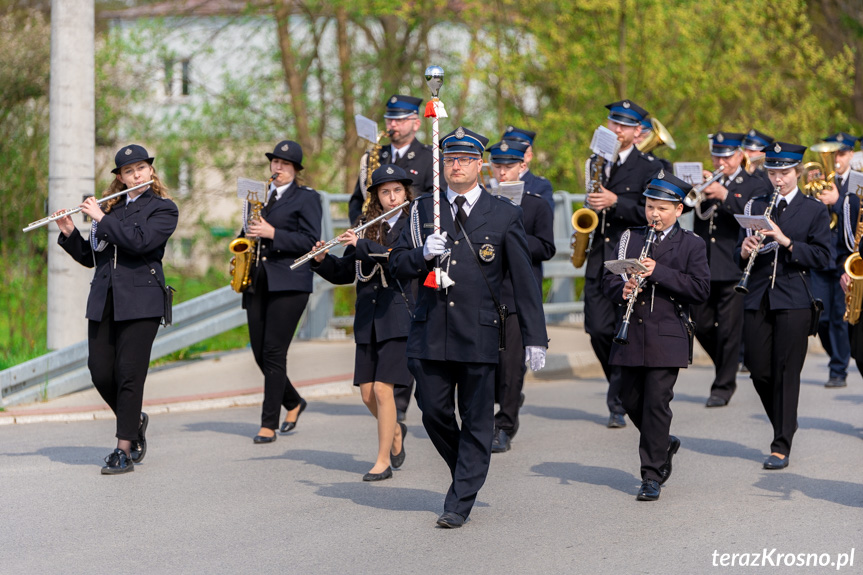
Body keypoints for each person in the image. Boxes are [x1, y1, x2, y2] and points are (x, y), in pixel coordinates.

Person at [389, 126, 548, 528]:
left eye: (463, 159)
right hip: (430, 330)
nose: (455, 165)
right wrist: (421, 254)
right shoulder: (423, 208)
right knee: (433, 411)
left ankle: (459, 500)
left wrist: (535, 337)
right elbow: (397, 263)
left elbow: (524, 281)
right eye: (449, 159)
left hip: (478, 330)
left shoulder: (503, 213)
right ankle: (468, 466)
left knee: (477, 418)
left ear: (480, 164)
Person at [54, 144, 178, 474]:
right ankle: (134, 419)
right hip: (105, 300)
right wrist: (69, 233)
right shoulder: (113, 207)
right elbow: (93, 258)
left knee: (129, 376)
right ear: (120, 178)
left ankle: (123, 448)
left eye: (141, 168)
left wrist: (100, 217)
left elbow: (140, 243)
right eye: (128, 171)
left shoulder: (164, 209)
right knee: (99, 371)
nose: (135, 174)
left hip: (142, 301)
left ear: (150, 171)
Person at [603, 171, 709, 501]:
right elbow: (607, 280)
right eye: (650, 206)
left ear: (679, 210)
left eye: (662, 208)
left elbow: (700, 289)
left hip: (668, 333)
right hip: (630, 331)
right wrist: (623, 289)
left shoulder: (692, 244)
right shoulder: (629, 237)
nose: (654, 214)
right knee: (629, 399)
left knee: (657, 404)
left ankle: (651, 475)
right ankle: (663, 442)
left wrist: (657, 272)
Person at [310, 165, 414, 481]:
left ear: (406, 193)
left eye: (397, 190)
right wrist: (321, 260)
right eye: (385, 192)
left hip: (399, 317)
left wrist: (361, 245)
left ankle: (382, 461)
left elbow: (400, 261)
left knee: (384, 390)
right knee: (367, 394)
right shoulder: (366, 226)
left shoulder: (413, 225)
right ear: (376, 198)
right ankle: (396, 432)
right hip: (368, 319)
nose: (392, 197)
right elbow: (346, 272)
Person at [734, 142, 831, 470]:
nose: (778, 179)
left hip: (794, 299)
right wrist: (745, 250)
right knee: (759, 369)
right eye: (773, 172)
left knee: (788, 372)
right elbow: (737, 253)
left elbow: (823, 256)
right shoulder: (755, 204)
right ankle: (785, 420)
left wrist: (786, 241)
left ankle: (781, 443)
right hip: (757, 294)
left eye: (784, 173)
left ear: (798, 173)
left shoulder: (814, 209)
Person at [348, 94, 435, 423]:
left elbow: (430, 205)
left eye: (400, 119)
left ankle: (397, 416)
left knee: (406, 338)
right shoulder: (374, 157)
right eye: (389, 119)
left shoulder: (428, 157)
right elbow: (358, 200)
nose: (392, 125)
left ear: (416, 121)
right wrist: (361, 234)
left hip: (412, 248)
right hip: (375, 242)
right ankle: (393, 422)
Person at [583, 99, 662, 428]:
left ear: (638, 131)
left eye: (623, 126)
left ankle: (618, 400)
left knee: (625, 329)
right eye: (612, 124)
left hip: (629, 252)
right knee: (597, 329)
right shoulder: (596, 161)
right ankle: (620, 386)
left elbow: (655, 210)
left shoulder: (650, 166)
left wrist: (616, 201)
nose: (615, 130)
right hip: (599, 255)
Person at [242, 140, 321, 444]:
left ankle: (268, 424)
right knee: (260, 353)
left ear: (296, 170)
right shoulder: (257, 196)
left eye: (285, 165)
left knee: (274, 352)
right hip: (257, 280)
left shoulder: (307, 198)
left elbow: (311, 240)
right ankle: (294, 401)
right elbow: (246, 232)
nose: (279, 168)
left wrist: (273, 233)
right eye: (275, 162)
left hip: (290, 281)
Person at [691, 132, 771, 408]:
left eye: (726, 156)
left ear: (740, 155)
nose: (720, 161)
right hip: (704, 264)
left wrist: (725, 195)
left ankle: (723, 386)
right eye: (716, 156)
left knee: (728, 330)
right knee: (698, 324)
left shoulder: (752, 183)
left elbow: (751, 217)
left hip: (732, 264)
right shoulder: (707, 180)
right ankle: (728, 362)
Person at [486, 139, 556, 453]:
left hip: (516, 293)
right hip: (486, 292)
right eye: (497, 166)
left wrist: (512, 235)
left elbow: (547, 247)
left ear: (522, 167)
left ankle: (505, 426)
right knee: (487, 364)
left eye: (508, 166)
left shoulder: (536, 203)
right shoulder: (481, 201)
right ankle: (485, 420)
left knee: (512, 365)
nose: (502, 172)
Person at [811, 133, 859, 388]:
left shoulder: (858, 182)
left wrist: (837, 201)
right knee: (822, 318)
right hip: (821, 257)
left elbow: (858, 214)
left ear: (851, 154)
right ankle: (839, 356)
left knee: (841, 317)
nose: (836, 159)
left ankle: (838, 370)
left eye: (841, 153)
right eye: (833, 154)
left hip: (845, 259)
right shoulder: (819, 180)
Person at [500, 125, 554, 210]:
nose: (509, 156)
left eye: (516, 152)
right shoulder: (492, 183)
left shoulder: (540, 186)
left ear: (529, 156)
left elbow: (544, 218)